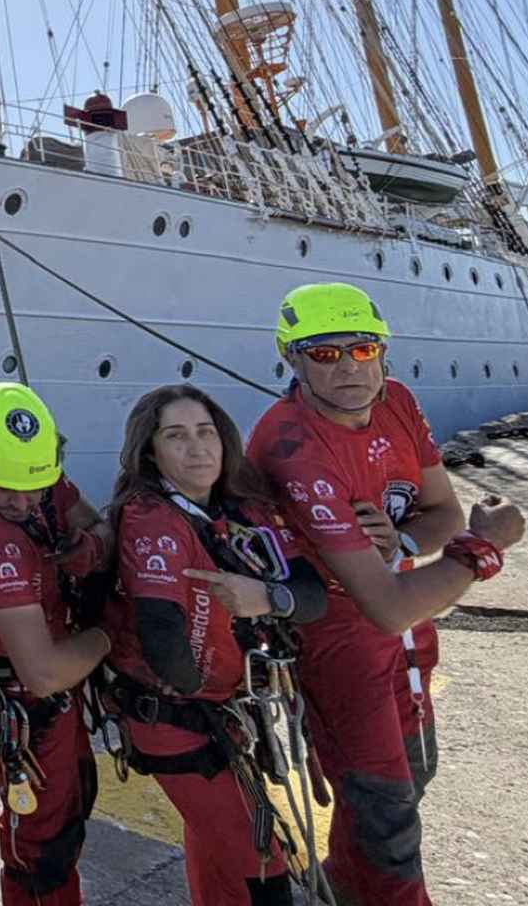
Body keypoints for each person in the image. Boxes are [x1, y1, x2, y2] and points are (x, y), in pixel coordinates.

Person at [246, 283, 527, 906]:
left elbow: (440, 516)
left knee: (414, 771)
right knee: (386, 811)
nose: (348, 366)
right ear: (291, 359)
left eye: (363, 348)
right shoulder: (291, 445)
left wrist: (400, 538)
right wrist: (486, 548)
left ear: (383, 353)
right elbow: (387, 601)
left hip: (408, 626)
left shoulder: (395, 401)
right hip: (342, 641)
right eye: (324, 354)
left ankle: (342, 890)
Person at [101, 384, 329, 905]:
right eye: (176, 436)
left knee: (221, 859)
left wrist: (263, 597)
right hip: (180, 722)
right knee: (263, 868)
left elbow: (313, 596)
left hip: (224, 712)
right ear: (150, 450)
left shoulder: (244, 511)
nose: (197, 447)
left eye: (206, 433)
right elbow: (164, 642)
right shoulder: (150, 519)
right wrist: (213, 697)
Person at [0, 382, 111, 906]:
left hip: (58, 683)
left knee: (71, 812)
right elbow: (42, 672)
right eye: (6, 489)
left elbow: (97, 522)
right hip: (27, 701)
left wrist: (90, 547)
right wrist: (107, 637)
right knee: (40, 849)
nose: (22, 501)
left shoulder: (33, 478)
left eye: (33, 487)